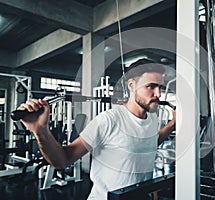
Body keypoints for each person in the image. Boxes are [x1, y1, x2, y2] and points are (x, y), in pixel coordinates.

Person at [18, 58, 176, 199]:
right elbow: (63, 160)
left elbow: (152, 141)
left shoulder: (153, 118)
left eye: (160, 87)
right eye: (151, 86)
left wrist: (172, 123)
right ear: (132, 85)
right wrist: (41, 131)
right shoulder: (109, 120)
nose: (159, 94)